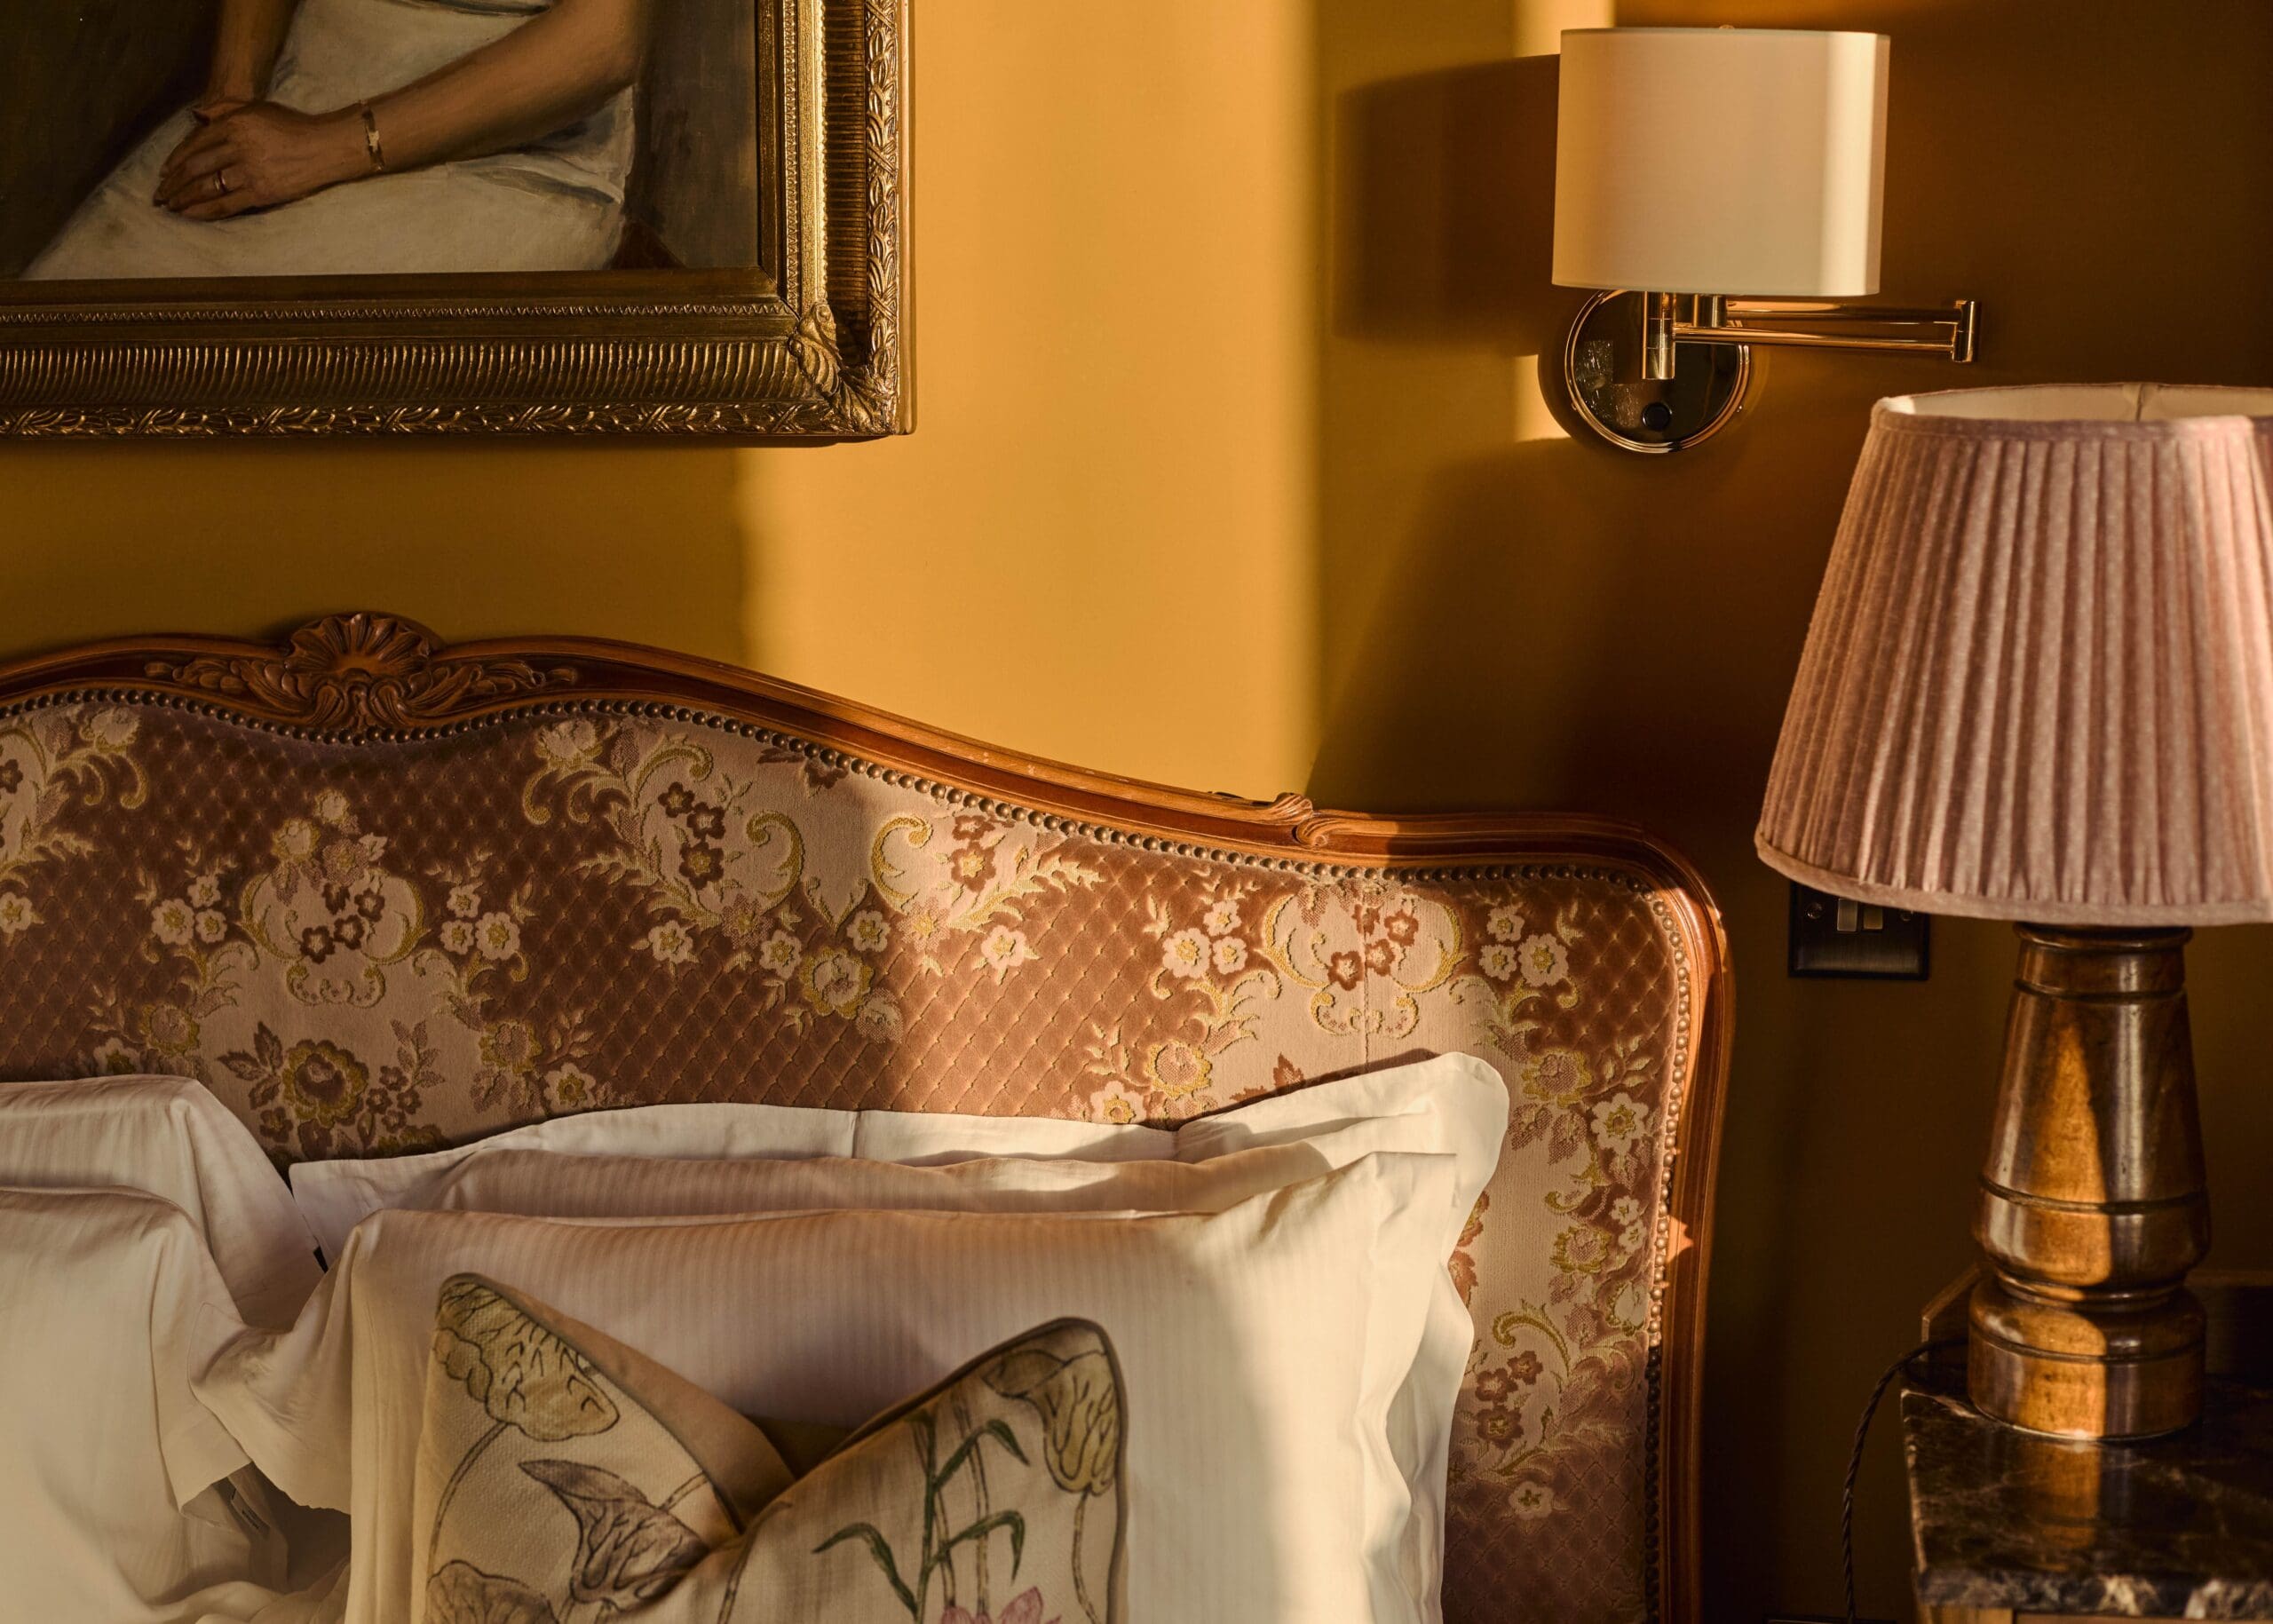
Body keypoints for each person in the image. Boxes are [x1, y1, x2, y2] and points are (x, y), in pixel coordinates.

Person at [27, 0, 649, 281]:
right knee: (79, 302)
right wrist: (233, 96)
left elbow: (605, 43)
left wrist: (318, 151)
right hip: (299, 93)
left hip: (510, 139)